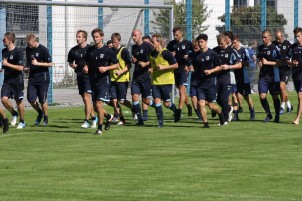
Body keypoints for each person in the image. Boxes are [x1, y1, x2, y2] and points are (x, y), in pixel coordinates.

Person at [83, 28, 118, 135]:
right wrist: (86, 67)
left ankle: (99, 129)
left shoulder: (108, 51)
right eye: (94, 36)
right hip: (92, 79)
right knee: (95, 107)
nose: (95, 38)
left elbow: (117, 65)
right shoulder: (90, 50)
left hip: (103, 81)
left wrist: (106, 68)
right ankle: (109, 116)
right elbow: (87, 62)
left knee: (98, 103)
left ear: (102, 37)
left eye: (97, 36)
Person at [190, 34, 226, 127]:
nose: (200, 44)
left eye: (202, 42)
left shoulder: (212, 53)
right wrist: (191, 68)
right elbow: (193, 66)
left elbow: (220, 67)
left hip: (210, 82)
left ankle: (220, 114)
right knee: (201, 103)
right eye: (199, 42)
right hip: (200, 82)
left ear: (206, 42)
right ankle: (206, 124)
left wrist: (211, 71)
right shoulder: (196, 56)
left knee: (211, 105)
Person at [67, 30, 97, 128]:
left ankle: (86, 121)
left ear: (84, 38)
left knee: (86, 98)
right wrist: (73, 65)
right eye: (77, 36)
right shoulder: (73, 50)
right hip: (79, 76)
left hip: (89, 77)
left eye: (79, 37)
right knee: (86, 100)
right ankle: (94, 117)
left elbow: (95, 62)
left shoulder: (91, 49)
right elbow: (70, 62)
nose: (77, 38)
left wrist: (88, 66)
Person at [149, 34, 178, 127]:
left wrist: (164, 67)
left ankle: (176, 111)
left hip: (166, 81)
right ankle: (160, 122)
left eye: (153, 42)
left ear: (158, 42)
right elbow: (153, 65)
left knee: (166, 103)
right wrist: (151, 69)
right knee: (157, 100)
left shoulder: (166, 53)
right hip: (155, 81)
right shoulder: (152, 54)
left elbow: (175, 65)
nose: (151, 44)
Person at [26, 33, 53, 126]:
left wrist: (38, 64)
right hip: (32, 78)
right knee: (31, 99)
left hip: (43, 78)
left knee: (42, 100)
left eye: (30, 44)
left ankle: (46, 118)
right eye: (28, 44)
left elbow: (51, 64)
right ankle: (40, 112)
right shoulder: (28, 49)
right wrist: (27, 68)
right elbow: (29, 62)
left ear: (35, 41)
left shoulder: (43, 49)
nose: (29, 46)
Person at [167, 27, 193, 122]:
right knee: (182, 91)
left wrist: (188, 60)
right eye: (174, 34)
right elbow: (166, 54)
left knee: (182, 90)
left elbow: (194, 55)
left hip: (184, 69)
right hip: (174, 69)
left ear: (181, 34)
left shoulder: (188, 43)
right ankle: (189, 106)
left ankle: (179, 111)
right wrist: (170, 54)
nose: (175, 36)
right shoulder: (171, 44)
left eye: (177, 34)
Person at [214, 34, 242, 122]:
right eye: (218, 43)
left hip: (227, 77)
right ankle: (229, 108)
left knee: (224, 98)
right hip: (217, 77)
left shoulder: (231, 51)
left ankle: (224, 120)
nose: (220, 45)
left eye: (221, 43)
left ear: (226, 41)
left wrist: (229, 67)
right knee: (218, 99)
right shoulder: (215, 50)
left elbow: (239, 65)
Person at [131, 29, 155, 125]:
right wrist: (134, 61)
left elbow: (155, 59)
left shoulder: (147, 46)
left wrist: (147, 64)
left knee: (146, 100)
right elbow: (136, 60)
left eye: (135, 35)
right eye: (132, 35)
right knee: (134, 97)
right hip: (136, 77)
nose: (133, 37)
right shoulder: (133, 48)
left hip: (146, 77)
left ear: (140, 35)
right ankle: (140, 119)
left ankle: (157, 106)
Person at [257, 29, 282, 123]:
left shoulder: (274, 48)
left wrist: (268, 63)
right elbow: (259, 60)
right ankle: (268, 114)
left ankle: (277, 115)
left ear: (270, 37)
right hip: (263, 76)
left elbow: (280, 63)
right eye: (262, 37)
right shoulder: (260, 48)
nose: (263, 39)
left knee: (275, 97)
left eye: (265, 37)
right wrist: (259, 63)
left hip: (273, 76)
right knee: (262, 96)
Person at [1, 32, 23, 131]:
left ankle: (22, 121)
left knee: (19, 101)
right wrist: (2, 67)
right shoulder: (4, 51)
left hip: (17, 80)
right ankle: (14, 113)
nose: (2, 41)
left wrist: (7, 64)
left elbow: (20, 68)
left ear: (10, 40)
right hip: (7, 80)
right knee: (3, 99)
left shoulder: (18, 52)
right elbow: (4, 64)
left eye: (4, 39)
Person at [110, 32, 133, 125]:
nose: (113, 44)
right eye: (112, 42)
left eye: (115, 42)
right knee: (114, 100)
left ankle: (133, 108)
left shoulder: (124, 51)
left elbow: (129, 65)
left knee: (122, 101)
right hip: (112, 79)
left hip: (122, 79)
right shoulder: (110, 51)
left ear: (119, 41)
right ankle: (122, 119)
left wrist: (120, 72)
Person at [232, 35, 255, 121]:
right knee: (234, 95)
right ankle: (235, 115)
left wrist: (241, 62)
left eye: (234, 43)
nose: (233, 44)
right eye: (232, 43)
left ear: (238, 42)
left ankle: (252, 110)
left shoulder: (244, 50)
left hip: (243, 76)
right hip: (234, 76)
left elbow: (248, 63)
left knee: (246, 96)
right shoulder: (232, 51)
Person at [273, 30, 293, 114]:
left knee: (282, 87)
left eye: (279, 38)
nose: (278, 40)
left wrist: (291, 62)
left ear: (282, 36)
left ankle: (282, 105)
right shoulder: (274, 44)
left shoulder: (288, 44)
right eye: (276, 38)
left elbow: (292, 55)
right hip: (278, 69)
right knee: (281, 89)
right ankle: (289, 105)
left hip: (286, 69)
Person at [286, 27, 302, 124]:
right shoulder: (293, 47)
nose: (297, 38)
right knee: (299, 97)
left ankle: (297, 118)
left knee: (300, 97)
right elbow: (287, 60)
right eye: (296, 36)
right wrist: (292, 63)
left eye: (299, 36)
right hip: (296, 74)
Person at [186, 40, 202, 120]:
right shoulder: (191, 55)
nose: (195, 49)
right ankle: (199, 114)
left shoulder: (203, 54)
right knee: (193, 97)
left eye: (196, 48)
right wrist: (189, 67)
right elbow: (188, 64)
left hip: (202, 79)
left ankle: (211, 108)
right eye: (193, 48)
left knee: (201, 100)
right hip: (194, 79)